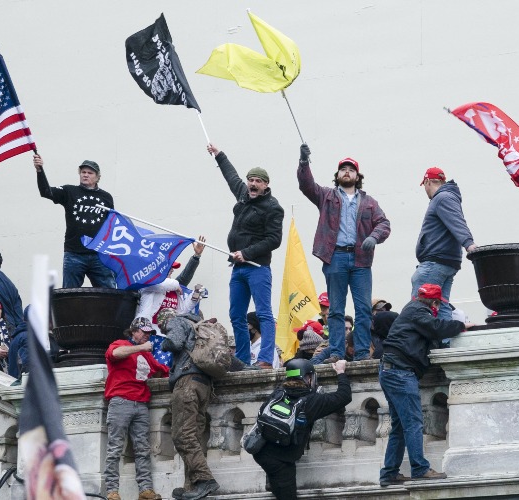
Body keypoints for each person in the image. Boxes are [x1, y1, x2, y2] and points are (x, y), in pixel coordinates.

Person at [297, 145, 391, 364]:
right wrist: (304, 162)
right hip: (335, 257)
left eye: (351, 169)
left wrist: (374, 237)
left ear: (357, 176)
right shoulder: (326, 196)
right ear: (337, 176)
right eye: (343, 169)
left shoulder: (369, 203)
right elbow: (306, 185)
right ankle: (337, 352)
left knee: (363, 310)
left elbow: (384, 223)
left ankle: (360, 354)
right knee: (336, 310)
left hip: (361, 260)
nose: (346, 172)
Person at [379, 284, 469, 487]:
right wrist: (460, 325)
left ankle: (389, 473)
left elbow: (430, 337)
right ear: (435, 303)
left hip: (391, 370)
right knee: (413, 423)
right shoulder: (418, 311)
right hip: (400, 372)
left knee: (400, 426)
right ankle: (419, 468)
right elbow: (436, 329)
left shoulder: (412, 311)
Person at [207, 143, 284, 369]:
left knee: (263, 314)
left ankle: (265, 359)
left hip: (257, 267)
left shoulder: (273, 207)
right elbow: (230, 176)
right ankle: (241, 358)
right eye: (250, 179)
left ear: (266, 185)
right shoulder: (242, 194)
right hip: (238, 268)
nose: (252, 183)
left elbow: (274, 240)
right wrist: (219, 155)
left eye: (258, 181)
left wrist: (246, 253)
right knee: (236, 315)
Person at [252, 358, 351, 500]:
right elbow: (344, 396)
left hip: (261, 451)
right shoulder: (312, 401)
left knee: (279, 486)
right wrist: (341, 372)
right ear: (308, 378)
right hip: (281, 461)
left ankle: (273, 482)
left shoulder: (279, 393)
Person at [103, 317, 169, 500]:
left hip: (141, 404)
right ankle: (112, 491)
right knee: (115, 448)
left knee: (142, 449)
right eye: (143, 331)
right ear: (133, 331)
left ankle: (145, 490)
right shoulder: (120, 344)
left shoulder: (147, 355)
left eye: (149, 332)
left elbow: (163, 370)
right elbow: (114, 354)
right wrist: (141, 348)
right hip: (120, 401)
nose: (147, 335)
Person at [159, 308, 218, 500]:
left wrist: (163, 344)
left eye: (162, 326)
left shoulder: (176, 322)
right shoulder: (201, 329)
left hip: (186, 383)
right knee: (194, 436)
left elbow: (174, 342)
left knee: (182, 435)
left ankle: (204, 480)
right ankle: (191, 486)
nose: (163, 328)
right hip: (204, 386)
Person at [33, 153, 116, 288]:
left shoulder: (106, 197)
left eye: (90, 172)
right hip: (74, 254)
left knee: (110, 294)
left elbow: (111, 225)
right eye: (83, 172)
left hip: (99, 254)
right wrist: (39, 170)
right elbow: (46, 192)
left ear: (97, 177)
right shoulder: (69, 191)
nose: (85, 175)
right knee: (69, 295)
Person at [412, 167, 477, 322]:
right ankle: (443, 344)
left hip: (435, 262)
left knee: (420, 308)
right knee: (442, 306)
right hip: (446, 262)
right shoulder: (448, 197)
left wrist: (469, 244)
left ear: (427, 182)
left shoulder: (442, 198)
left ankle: (422, 346)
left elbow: (457, 222)